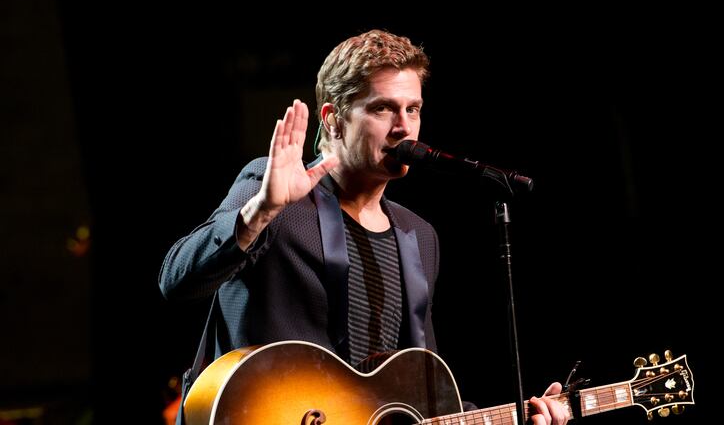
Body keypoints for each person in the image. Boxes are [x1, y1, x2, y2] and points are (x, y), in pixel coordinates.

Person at [159, 29, 568, 425]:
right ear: (333, 120)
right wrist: (261, 211)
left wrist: (520, 416)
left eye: (413, 109)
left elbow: (423, 396)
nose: (404, 127)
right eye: (382, 108)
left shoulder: (419, 235)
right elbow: (176, 280)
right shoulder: (271, 191)